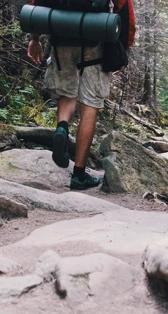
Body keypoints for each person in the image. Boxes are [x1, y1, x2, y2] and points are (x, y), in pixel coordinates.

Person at [27, 0, 136, 190]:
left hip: (61, 37)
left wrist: (34, 39)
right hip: (95, 38)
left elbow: (35, 3)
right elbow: (125, 9)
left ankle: (62, 127)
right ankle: (78, 175)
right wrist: (123, 50)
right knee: (90, 103)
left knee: (67, 93)